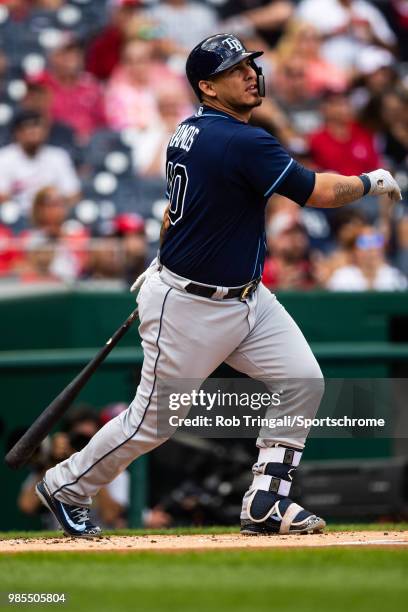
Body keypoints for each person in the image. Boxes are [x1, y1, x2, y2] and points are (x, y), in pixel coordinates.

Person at [35, 34, 402, 537]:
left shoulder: (187, 131)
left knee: (301, 380)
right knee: (152, 423)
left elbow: (176, 212)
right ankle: (65, 485)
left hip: (246, 296)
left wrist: (162, 254)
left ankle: (266, 500)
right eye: (234, 70)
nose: (249, 74)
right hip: (190, 306)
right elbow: (315, 192)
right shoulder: (242, 139)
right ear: (207, 86)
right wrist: (370, 181)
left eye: (249, 64)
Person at [0, 110, 81, 214]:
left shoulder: (58, 156)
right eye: (28, 127)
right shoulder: (4, 157)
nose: (33, 131)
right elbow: (2, 196)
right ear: (17, 133)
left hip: (53, 214)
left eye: (37, 126)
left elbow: (73, 194)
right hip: (18, 217)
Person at [326, 225, 407, 291]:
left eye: (377, 241)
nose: (371, 248)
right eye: (364, 242)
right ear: (354, 250)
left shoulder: (395, 277)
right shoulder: (342, 278)